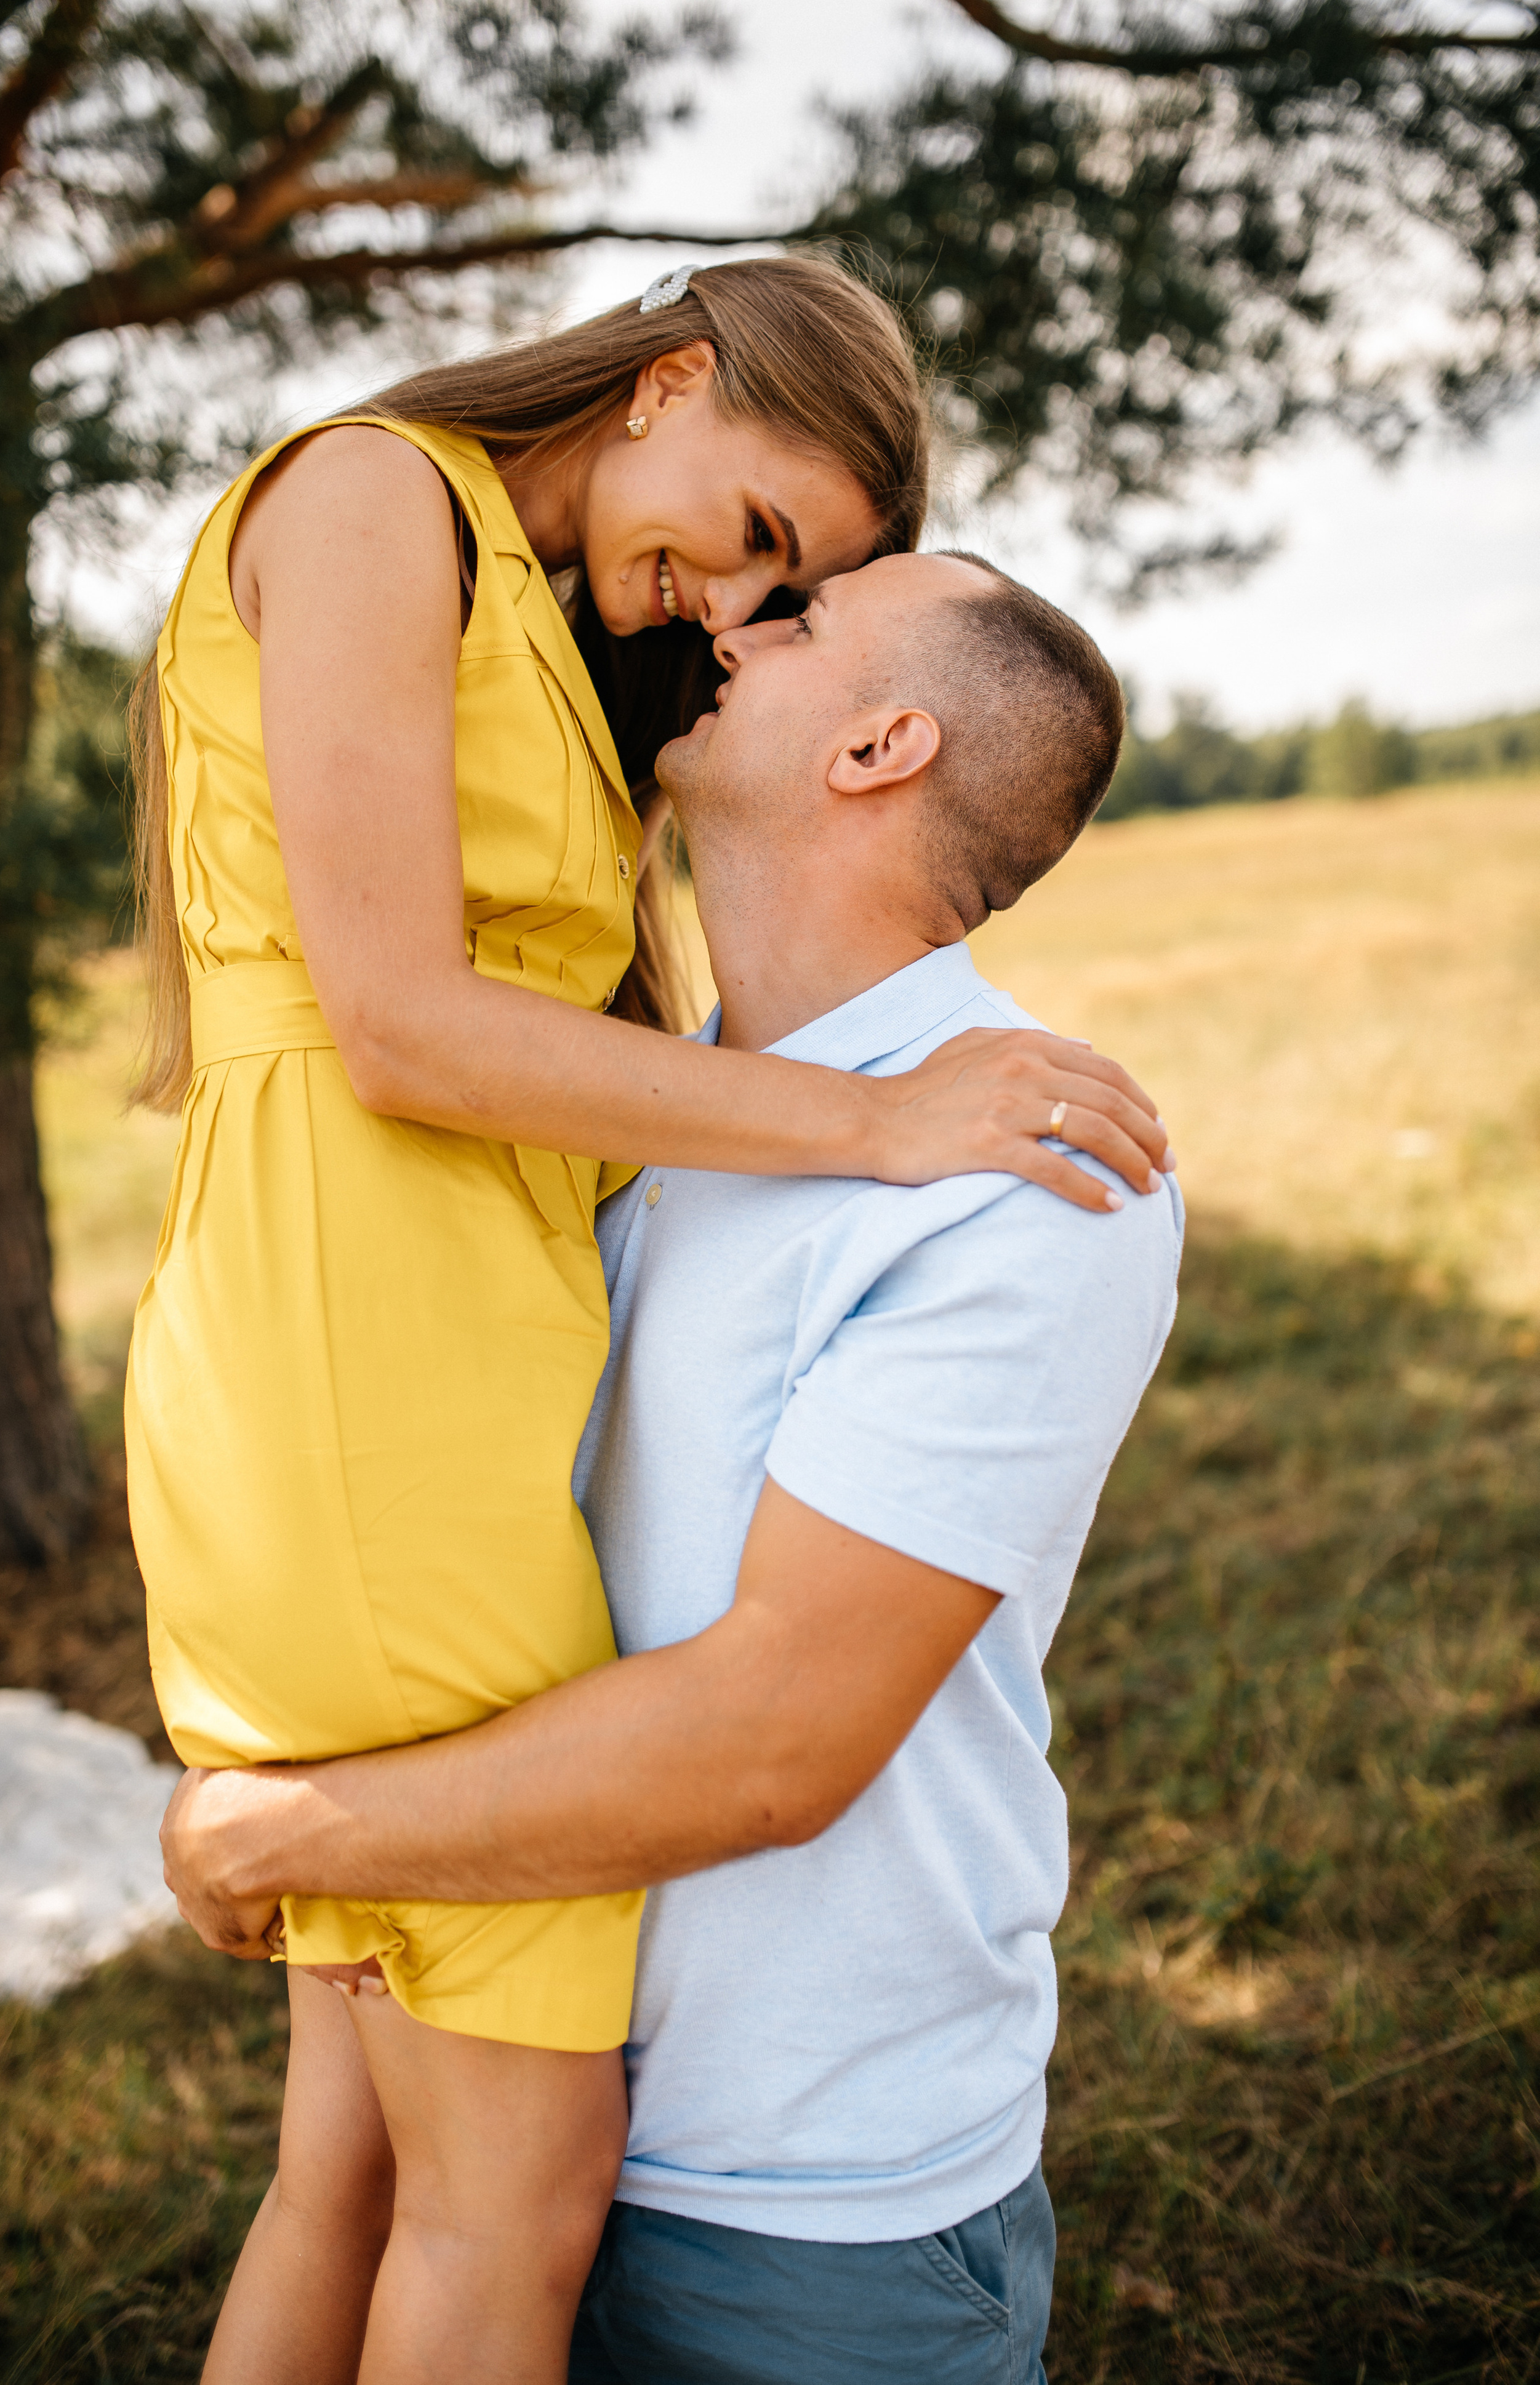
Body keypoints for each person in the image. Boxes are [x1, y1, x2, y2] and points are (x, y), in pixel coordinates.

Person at [126, 257, 1172, 2385]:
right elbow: (403, 1021)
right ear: (674, 373)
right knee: (383, 2190)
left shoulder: (1008, 1166)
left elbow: (777, 1741)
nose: (719, 616)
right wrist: (860, 1122)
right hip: (549, 2065)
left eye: (787, 599)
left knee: (372, 2184)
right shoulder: (686, 1124)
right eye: (768, 558)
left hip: (806, 2220)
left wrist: (280, 1828)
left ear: (882, 741)